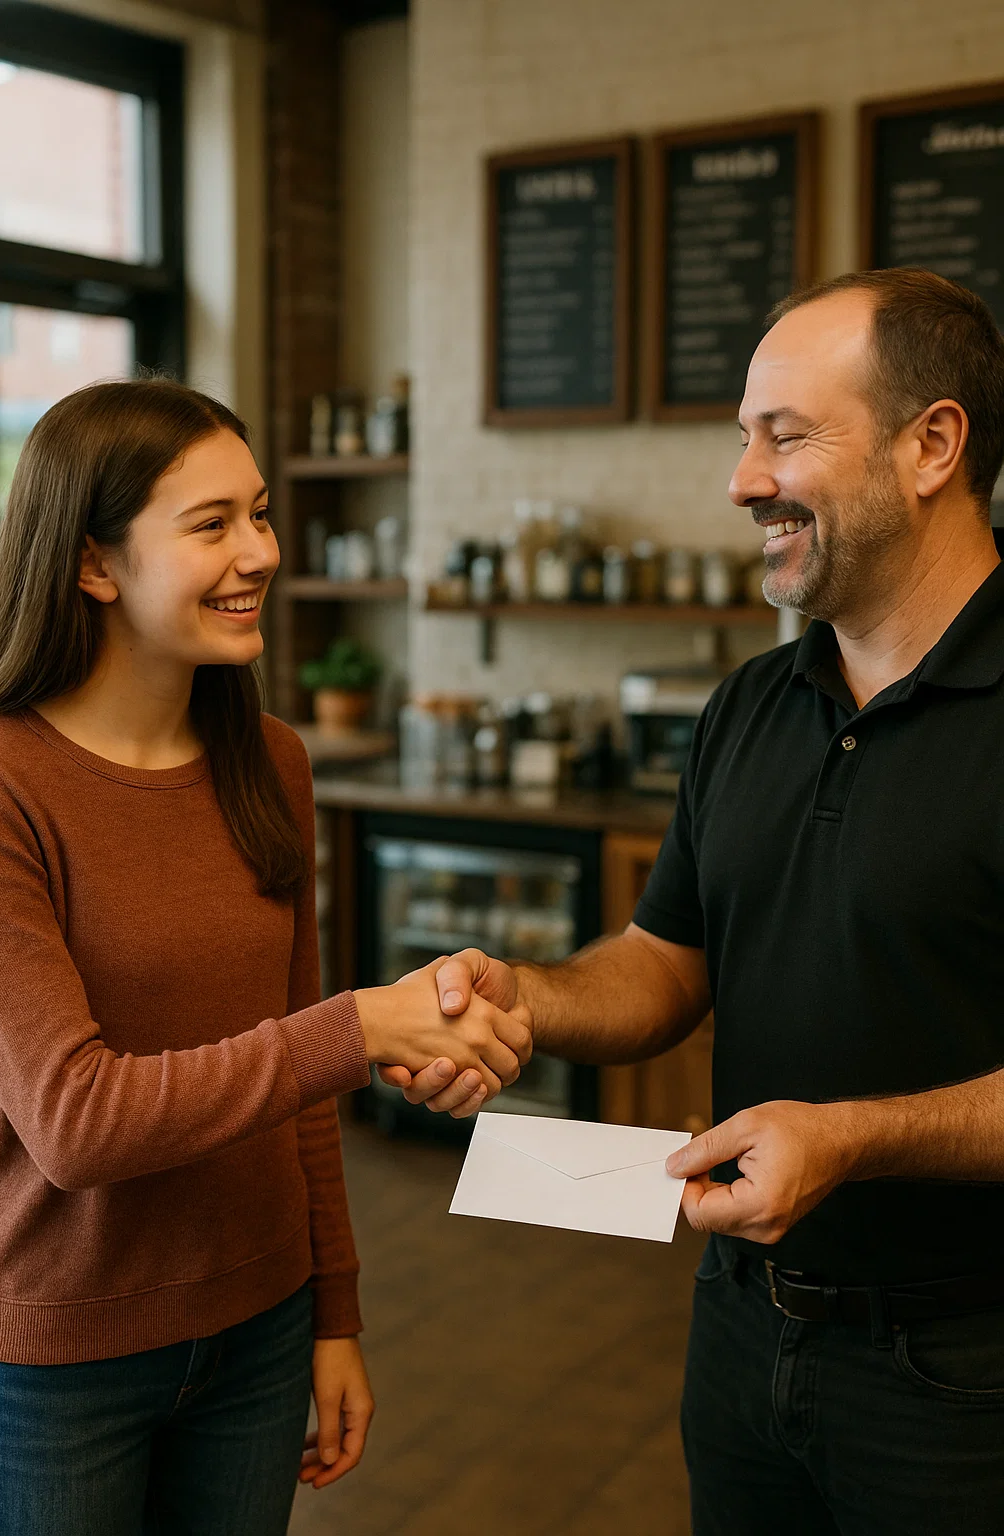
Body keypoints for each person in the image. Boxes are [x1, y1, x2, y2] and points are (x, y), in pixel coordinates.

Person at [387, 268, 1004, 1534]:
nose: (740, 480)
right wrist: (527, 998)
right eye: (743, 435)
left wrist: (855, 1140)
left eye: (783, 434)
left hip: (966, 1370)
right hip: (740, 1332)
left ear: (932, 444)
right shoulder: (748, 708)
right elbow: (665, 965)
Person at [0, 378, 530, 1536]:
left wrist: (336, 1312)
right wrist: (365, 1026)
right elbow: (76, 1124)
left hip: (263, 1329)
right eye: (213, 524)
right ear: (94, 564)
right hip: (56, 1362)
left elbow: (303, 1089)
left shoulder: (268, 759)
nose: (261, 553)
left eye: (262, 514)